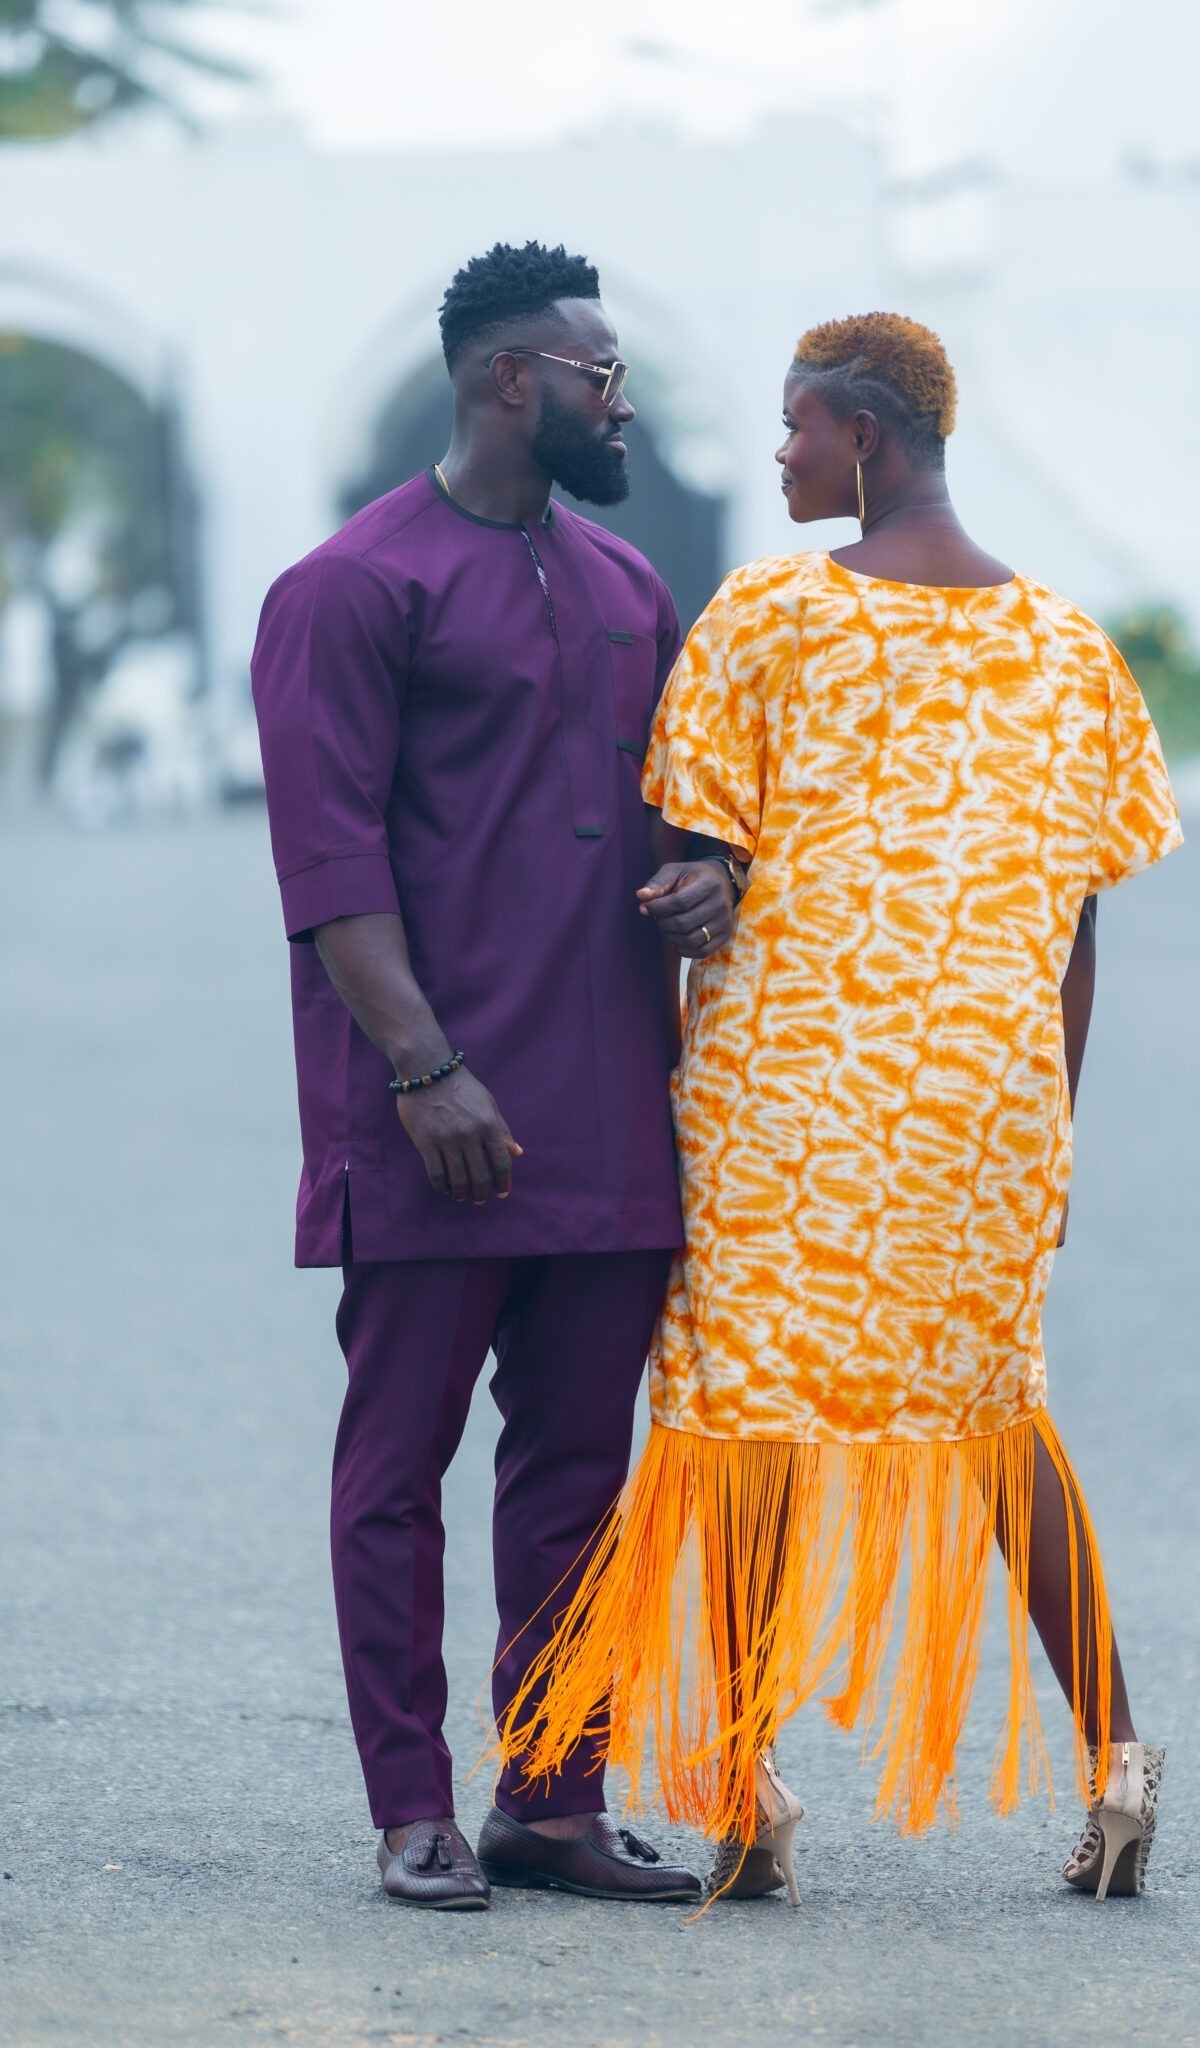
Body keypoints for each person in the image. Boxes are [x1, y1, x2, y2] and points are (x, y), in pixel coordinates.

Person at [500, 312, 1182, 1907]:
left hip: (787, 1089)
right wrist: (1045, 1132)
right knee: (996, 1419)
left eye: (796, 425)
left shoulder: (771, 613)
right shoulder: (1066, 647)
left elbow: (691, 864)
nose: (780, 451)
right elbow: (1078, 925)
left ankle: (745, 1790)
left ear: (860, 435)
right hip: (984, 1107)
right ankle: (1117, 1765)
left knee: (745, 1419)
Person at [250, 240, 741, 1910]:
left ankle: (551, 1796)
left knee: (578, 1479)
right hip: (432, 1117)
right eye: (604, 378)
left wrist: (708, 878)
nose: (625, 405)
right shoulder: (346, 588)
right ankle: (412, 1807)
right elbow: (327, 866)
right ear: (508, 379)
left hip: (609, 1115)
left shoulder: (627, 586)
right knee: (396, 1474)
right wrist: (423, 1069)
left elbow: (676, 815)